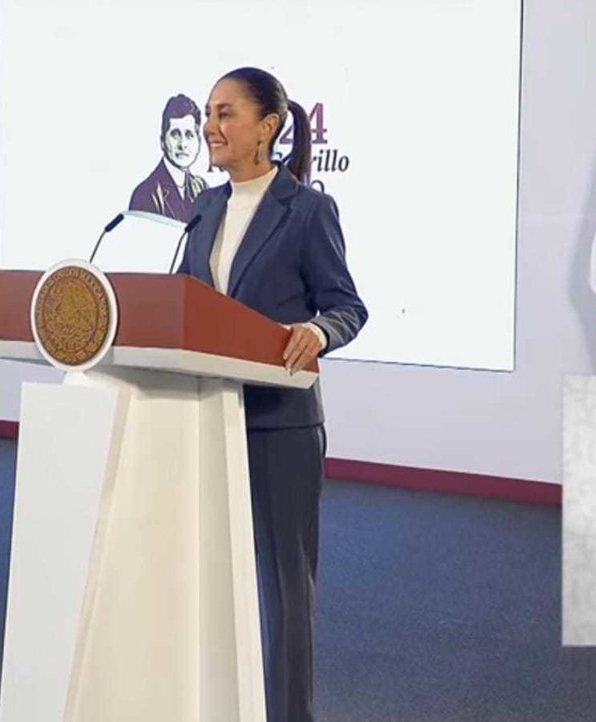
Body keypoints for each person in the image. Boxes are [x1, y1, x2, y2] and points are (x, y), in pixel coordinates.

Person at [176, 67, 366, 721]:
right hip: (204, 417)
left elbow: (346, 306)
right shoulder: (203, 207)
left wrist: (316, 331)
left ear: (268, 127)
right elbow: (180, 304)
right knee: (209, 581)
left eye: (226, 113)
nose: (211, 127)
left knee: (283, 589)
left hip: (278, 424)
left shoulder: (308, 209)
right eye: (208, 113)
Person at [128, 94, 209, 223]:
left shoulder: (201, 188)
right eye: (175, 135)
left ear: (198, 141)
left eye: (189, 135)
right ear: (162, 141)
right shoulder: (146, 193)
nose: (182, 144)